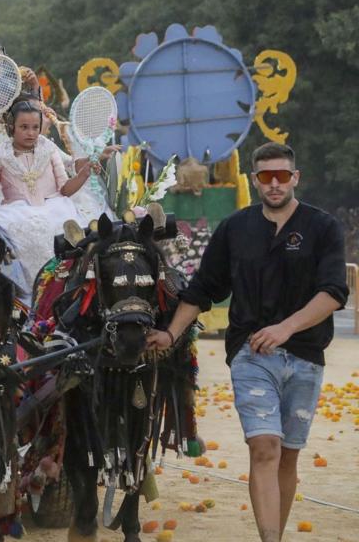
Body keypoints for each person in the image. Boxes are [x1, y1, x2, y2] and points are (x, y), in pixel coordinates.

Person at [147, 143, 348, 542]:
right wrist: (170, 332)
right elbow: (204, 288)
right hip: (251, 354)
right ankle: (269, 539)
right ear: (254, 181)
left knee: (288, 454)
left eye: (283, 176)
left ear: (296, 178)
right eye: (266, 177)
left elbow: (334, 293)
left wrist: (286, 328)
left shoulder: (322, 227)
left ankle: (275, 531)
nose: (275, 184)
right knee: (264, 449)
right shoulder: (235, 229)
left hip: (306, 357)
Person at [0, 100, 91, 291]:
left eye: (35, 127)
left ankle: (65, 286)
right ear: (11, 126)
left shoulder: (49, 148)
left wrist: (83, 175)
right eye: (24, 127)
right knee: (24, 230)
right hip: (15, 211)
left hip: (55, 206)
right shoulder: (0, 154)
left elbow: (64, 188)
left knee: (66, 229)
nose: (30, 133)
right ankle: (31, 291)